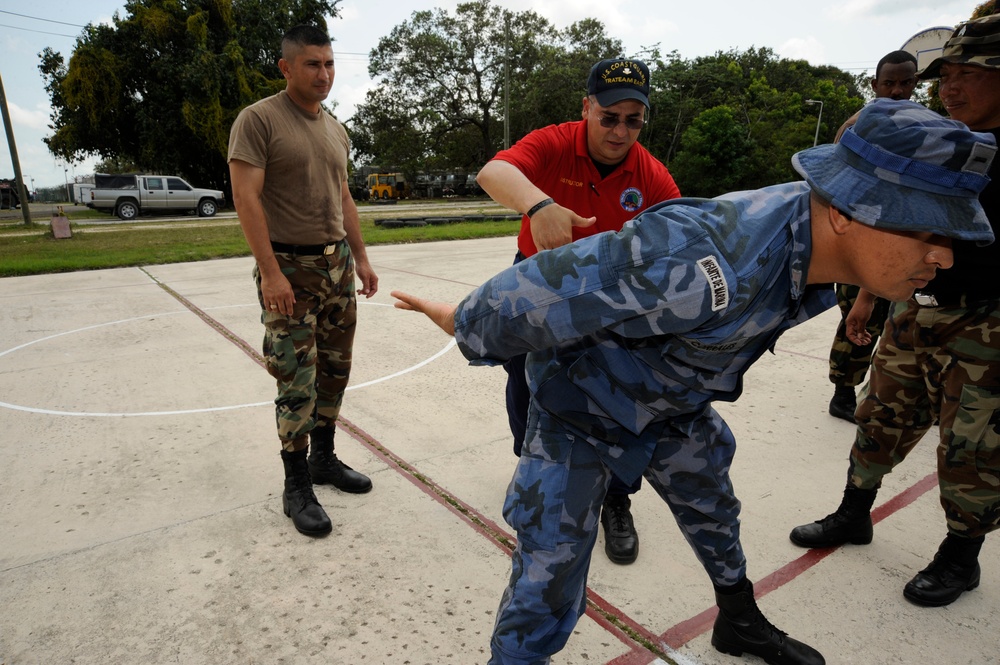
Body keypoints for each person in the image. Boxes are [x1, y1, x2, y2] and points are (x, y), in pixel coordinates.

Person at [392, 99, 996, 665]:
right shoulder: (698, 259)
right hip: (583, 405)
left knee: (714, 512)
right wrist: (462, 322)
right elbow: (528, 293)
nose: (943, 256)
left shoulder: (814, 238)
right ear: (846, 211)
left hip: (671, 404)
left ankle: (736, 618)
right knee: (548, 573)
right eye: (928, 232)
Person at [789, 13, 1000, 608]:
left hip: (989, 323)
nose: (951, 87)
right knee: (879, 414)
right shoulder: (938, 143)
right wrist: (871, 295)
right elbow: (891, 228)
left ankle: (961, 557)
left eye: (969, 74)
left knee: (974, 446)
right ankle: (854, 514)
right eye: (947, 74)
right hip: (918, 310)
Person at [476, 57, 681, 565]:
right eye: (609, 116)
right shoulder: (554, 142)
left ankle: (615, 498)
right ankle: (537, 473)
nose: (620, 130)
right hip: (539, 284)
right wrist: (538, 205)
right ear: (587, 107)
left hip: (608, 298)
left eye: (633, 120)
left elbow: (680, 230)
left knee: (617, 395)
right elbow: (493, 171)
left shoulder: (649, 173)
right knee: (529, 385)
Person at [228, 24, 377, 538]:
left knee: (335, 370)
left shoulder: (335, 128)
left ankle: (324, 460)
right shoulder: (259, 121)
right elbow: (245, 199)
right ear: (286, 67)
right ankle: (296, 487)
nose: (324, 73)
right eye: (312, 64)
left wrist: (361, 258)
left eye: (330, 63)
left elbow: (344, 198)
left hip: (336, 268)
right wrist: (270, 272)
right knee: (296, 380)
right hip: (288, 269)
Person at [827, 50, 918, 421]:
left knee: (896, 325)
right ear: (874, 85)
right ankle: (843, 393)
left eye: (905, 83)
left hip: (902, 242)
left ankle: (883, 392)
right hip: (860, 240)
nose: (897, 91)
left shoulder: (921, 128)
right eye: (889, 83)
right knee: (859, 317)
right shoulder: (858, 128)